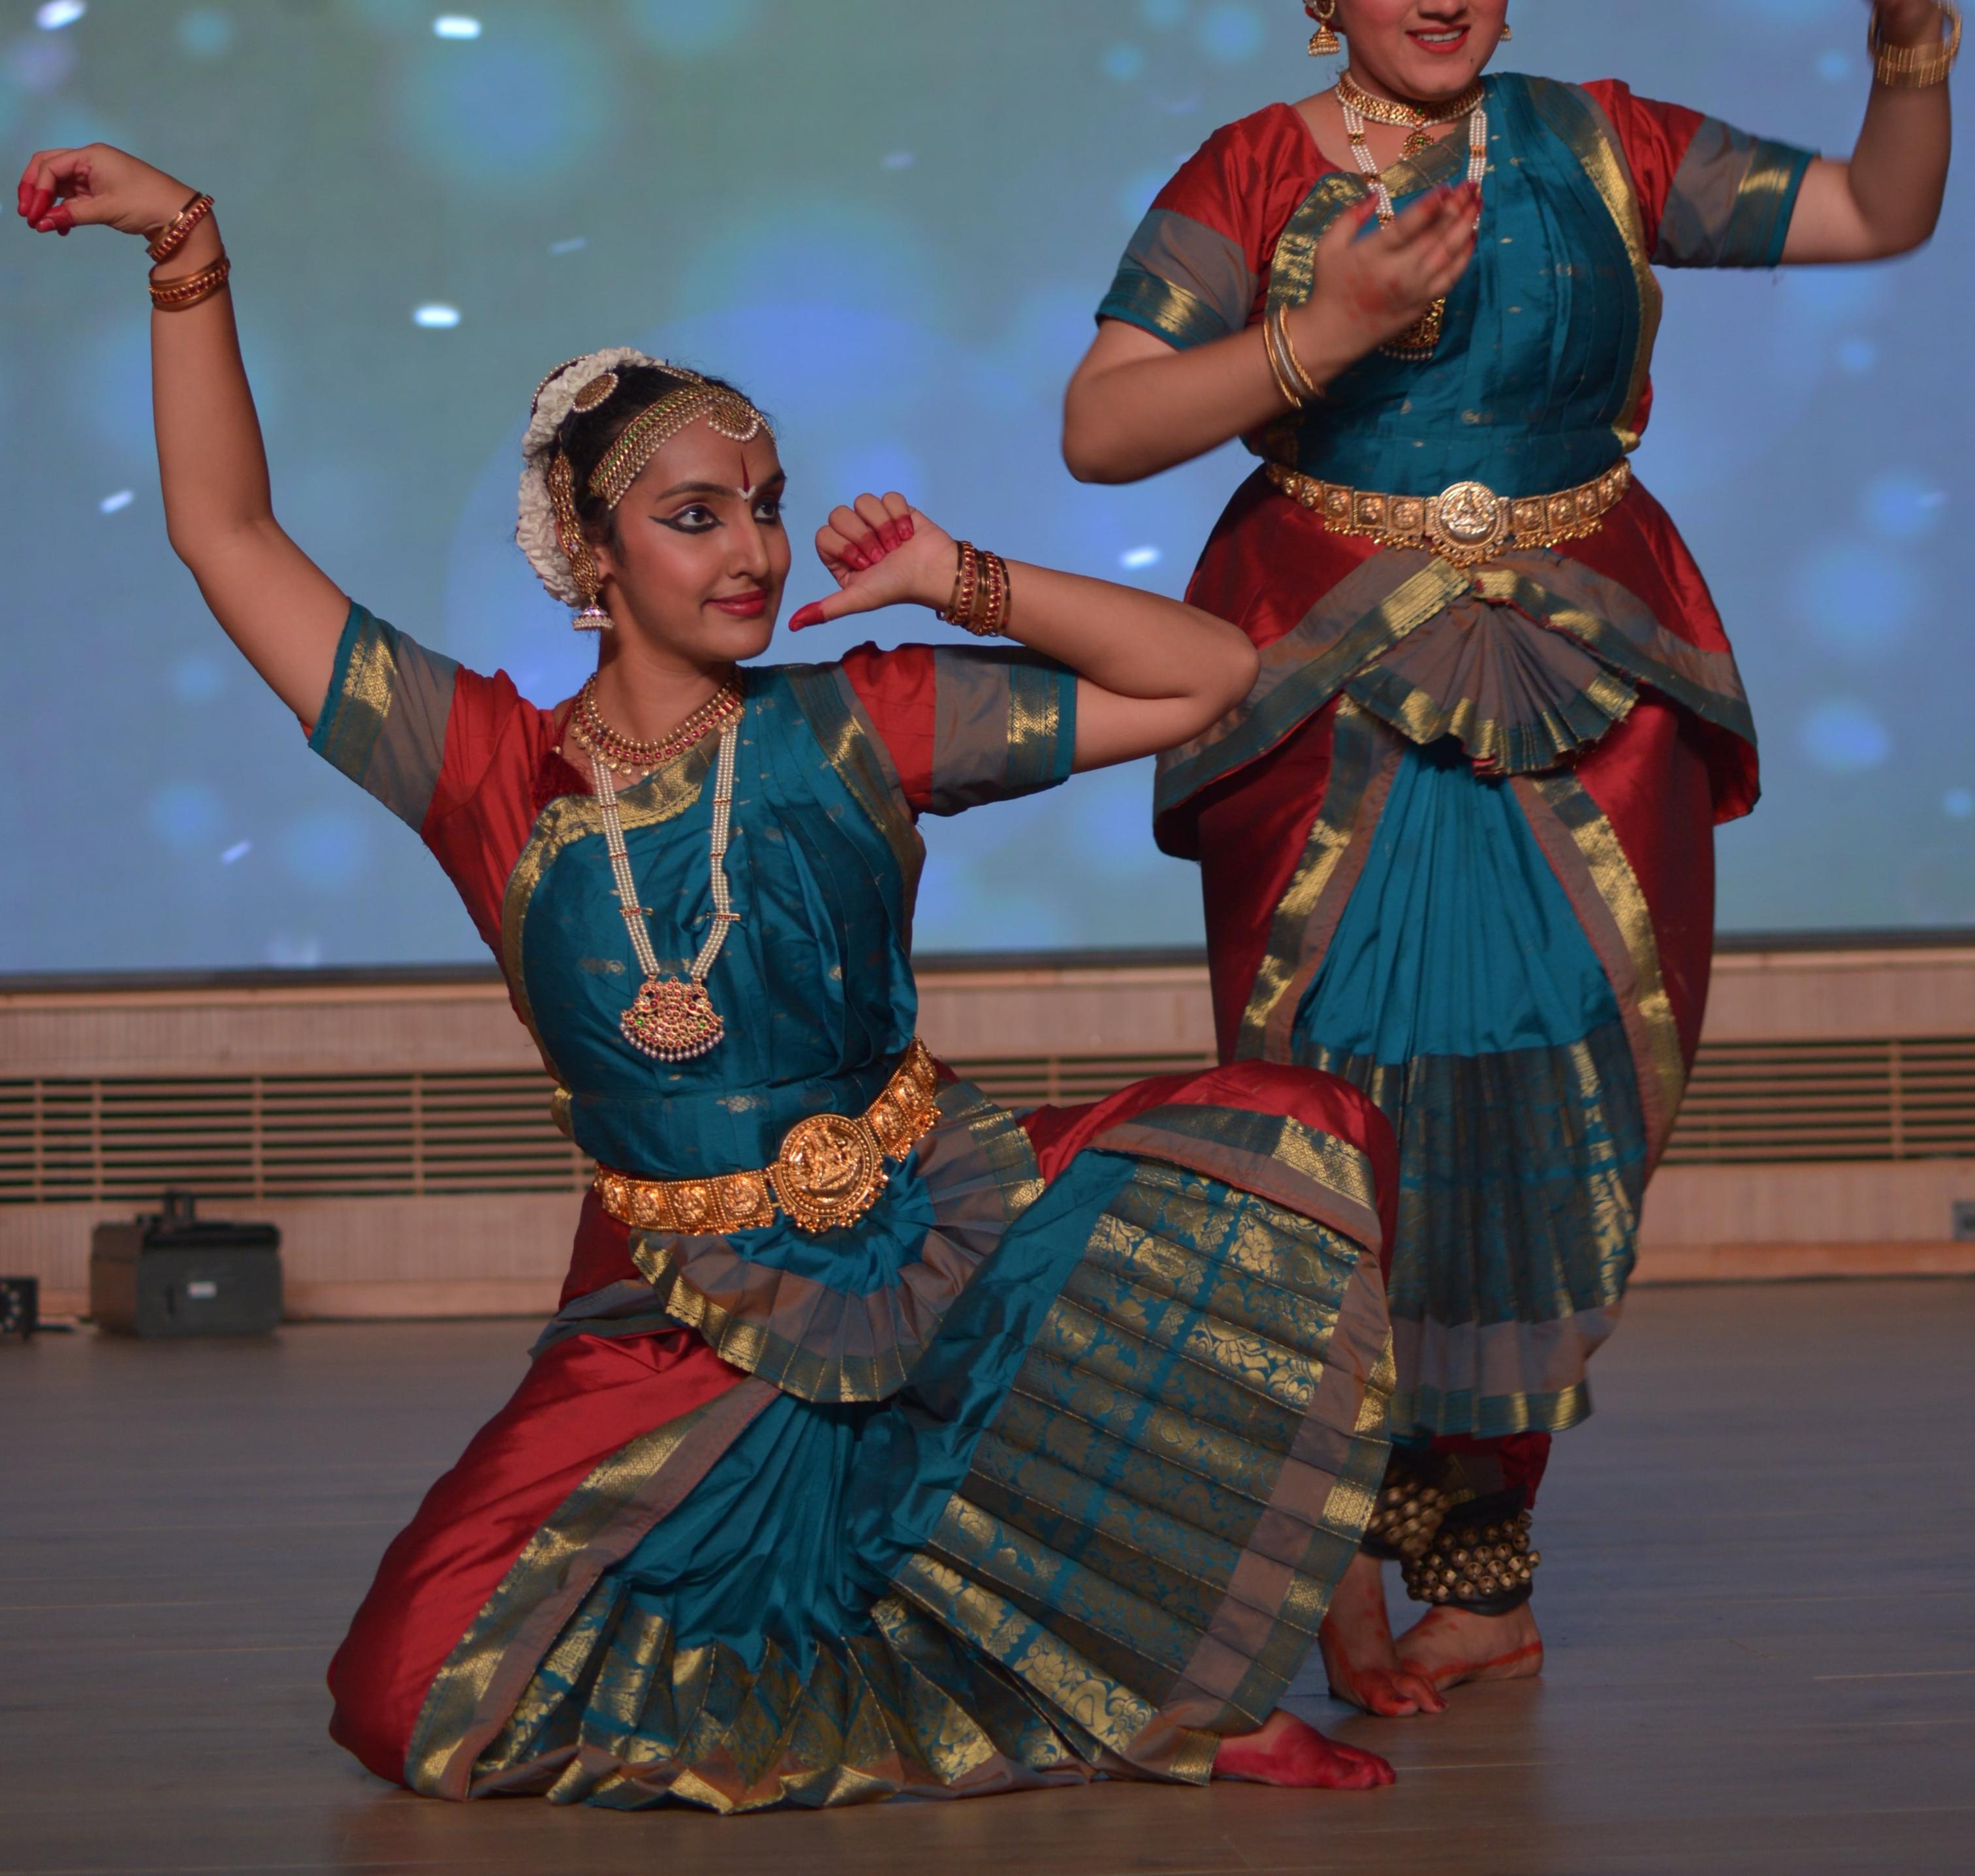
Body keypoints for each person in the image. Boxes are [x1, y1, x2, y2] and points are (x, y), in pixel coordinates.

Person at [19, 138, 1416, 1810]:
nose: (751, 548)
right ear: (588, 548)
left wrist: (950, 577)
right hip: (672, 1307)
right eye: (695, 517)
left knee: (1288, 1137)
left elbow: (1204, 677)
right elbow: (224, 529)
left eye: (761, 505)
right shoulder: (484, 770)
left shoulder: (858, 722)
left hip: (939, 1234)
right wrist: (185, 246)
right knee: (409, 1704)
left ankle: (1164, 1672)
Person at [1062, 0, 1955, 1715]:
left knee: (1562, 1117)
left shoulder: (1599, 143)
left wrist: (1906, 38)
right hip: (1330, 695)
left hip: (1590, 689)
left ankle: (1481, 1572)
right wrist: (1321, 331)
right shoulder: (1253, 174)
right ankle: (1323, 1546)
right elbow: (1100, 424)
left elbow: (1879, 210)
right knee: (1337, 1116)